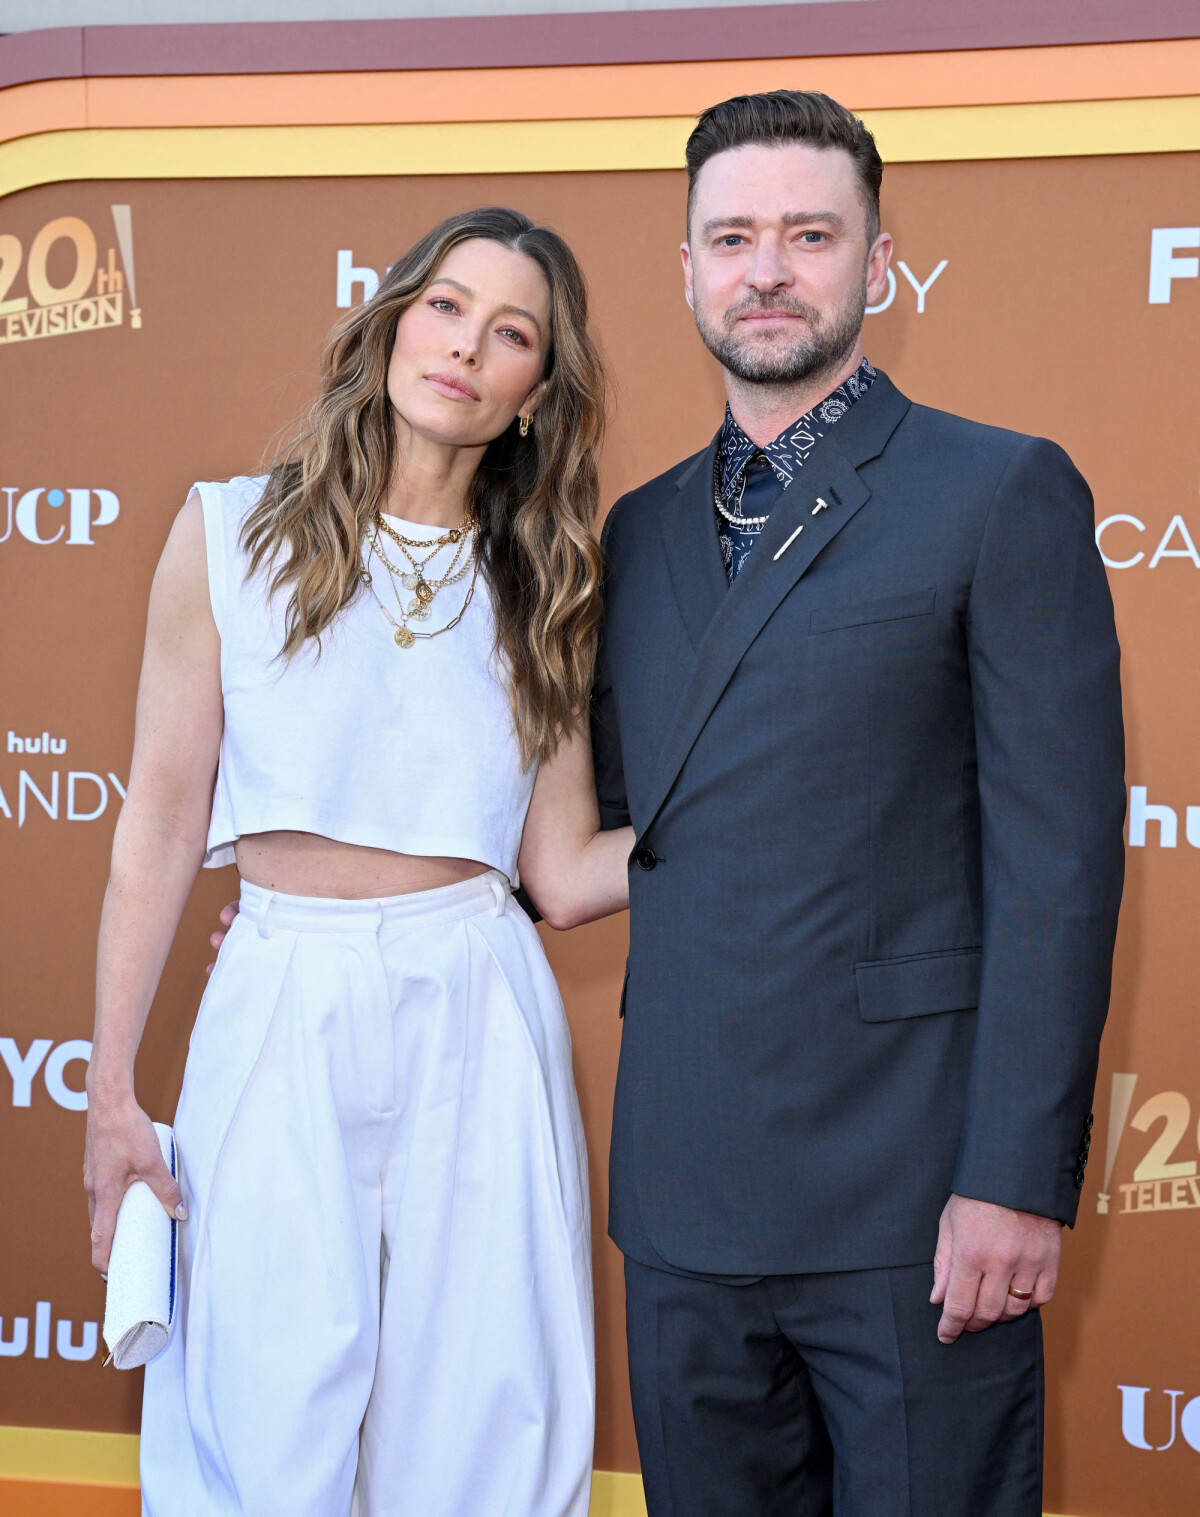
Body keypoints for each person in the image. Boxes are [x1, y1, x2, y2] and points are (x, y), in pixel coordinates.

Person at [591, 92, 1126, 1514]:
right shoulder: (636, 534)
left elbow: (1057, 866)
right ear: (687, 269)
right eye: (733, 237)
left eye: (809, 234)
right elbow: (601, 825)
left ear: (880, 264)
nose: (767, 268)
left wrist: (1015, 1180)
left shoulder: (998, 490)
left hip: (915, 1203)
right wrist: (340, 886)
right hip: (685, 1197)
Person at [83, 206, 633, 1517]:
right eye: (446, 306)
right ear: (391, 319)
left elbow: (558, 870)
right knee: (258, 1409)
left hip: (478, 1004)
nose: (465, 346)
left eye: (511, 334)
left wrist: (751, 826)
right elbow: (160, 822)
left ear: (533, 395)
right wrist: (110, 1089)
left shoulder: (544, 586)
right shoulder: (227, 533)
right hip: (279, 986)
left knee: (489, 1417)